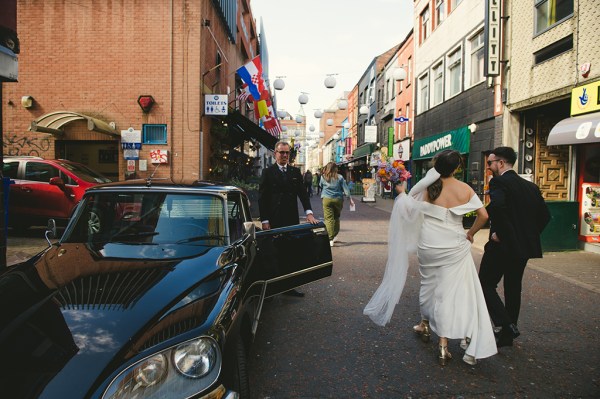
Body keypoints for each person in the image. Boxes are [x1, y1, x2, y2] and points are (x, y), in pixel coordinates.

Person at [364, 150, 497, 366]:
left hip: (428, 244)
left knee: (428, 285)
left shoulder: (427, 187)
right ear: (457, 168)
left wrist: (401, 192)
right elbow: (484, 216)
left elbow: (408, 211)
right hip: (453, 244)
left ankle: (424, 324)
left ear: (437, 165)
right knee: (449, 291)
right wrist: (471, 233)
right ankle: (443, 343)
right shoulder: (465, 189)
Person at [479, 147, 551, 347]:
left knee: (485, 283)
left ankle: (506, 324)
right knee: (513, 287)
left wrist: (501, 234)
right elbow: (545, 216)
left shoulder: (499, 182)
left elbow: (498, 207)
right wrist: (527, 235)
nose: (489, 167)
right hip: (523, 248)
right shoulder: (531, 187)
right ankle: (507, 337)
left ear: (501, 163)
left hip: (502, 246)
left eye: (490, 163)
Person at [259, 141, 319, 297]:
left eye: (287, 153)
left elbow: (302, 194)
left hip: (291, 218)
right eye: (281, 153)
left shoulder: (295, 172)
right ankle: (272, 288)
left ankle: (288, 287)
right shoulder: (268, 172)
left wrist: (309, 213)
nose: (285, 155)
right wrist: (265, 220)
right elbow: (262, 198)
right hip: (274, 219)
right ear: (275, 154)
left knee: (291, 251)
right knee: (274, 252)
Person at [319, 162, 355, 247]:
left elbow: (320, 185)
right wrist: (350, 199)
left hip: (326, 199)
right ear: (336, 169)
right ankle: (334, 235)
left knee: (328, 219)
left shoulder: (323, 177)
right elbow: (345, 189)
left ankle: (330, 238)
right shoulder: (340, 177)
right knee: (336, 217)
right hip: (338, 199)